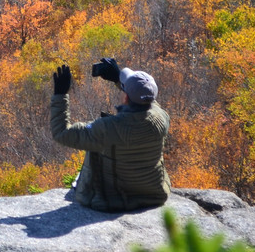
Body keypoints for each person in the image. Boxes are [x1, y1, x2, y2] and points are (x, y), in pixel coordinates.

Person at [49, 59, 170, 212]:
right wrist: (119, 79)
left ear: (125, 97)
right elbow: (147, 100)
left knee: (94, 144)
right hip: (154, 194)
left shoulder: (107, 128)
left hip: (113, 201)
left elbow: (61, 133)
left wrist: (60, 94)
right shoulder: (162, 118)